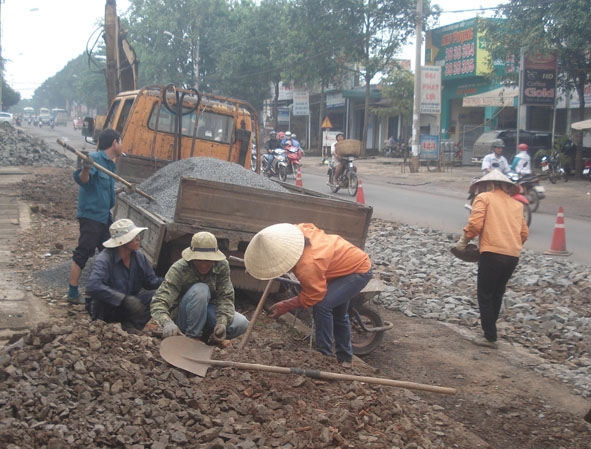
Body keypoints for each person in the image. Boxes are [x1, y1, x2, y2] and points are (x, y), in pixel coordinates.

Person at [244, 223, 373, 366]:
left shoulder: (308, 266)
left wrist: (287, 305)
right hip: (337, 264)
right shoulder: (297, 232)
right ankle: (345, 358)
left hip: (357, 270)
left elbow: (315, 295)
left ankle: (324, 356)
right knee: (338, 313)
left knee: (323, 306)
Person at [455, 169, 529, 349]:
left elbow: (475, 224)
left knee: (485, 294)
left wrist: (463, 241)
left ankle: (489, 337)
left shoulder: (484, 198)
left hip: (491, 254)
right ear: (505, 187)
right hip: (512, 256)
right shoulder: (516, 205)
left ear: (487, 185)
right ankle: (491, 331)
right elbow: (524, 233)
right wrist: (509, 244)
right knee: (497, 293)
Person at [150, 231, 249, 344]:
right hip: (183, 318)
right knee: (201, 289)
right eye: (199, 260)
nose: (203, 264)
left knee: (241, 323)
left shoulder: (221, 266)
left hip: (207, 312)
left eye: (207, 260)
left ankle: (209, 338)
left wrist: (221, 322)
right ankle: (192, 338)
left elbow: (225, 298)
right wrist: (167, 322)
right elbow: (159, 301)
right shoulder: (179, 268)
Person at [67, 128, 122, 304]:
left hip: (104, 216)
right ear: (115, 143)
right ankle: (73, 292)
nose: (121, 146)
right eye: (120, 142)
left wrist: (121, 190)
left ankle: (104, 288)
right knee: (84, 251)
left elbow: (103, 189)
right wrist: (86, 167)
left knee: (111, 250)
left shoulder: (109, 164)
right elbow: (84, 180)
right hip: (91, 216)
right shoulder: (95, 159)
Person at [85, 219, 163, 333]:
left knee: (157, 296)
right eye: (133, 236)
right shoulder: (105, 259)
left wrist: (170, 282)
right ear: (122, 242)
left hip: (127, 309)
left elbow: (151, 282)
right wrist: (122, 299)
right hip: (107, 310)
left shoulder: (139, 257)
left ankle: (131, 325)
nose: (138, 239)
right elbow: (93, 286)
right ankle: (107, 327)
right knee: (102, 298)